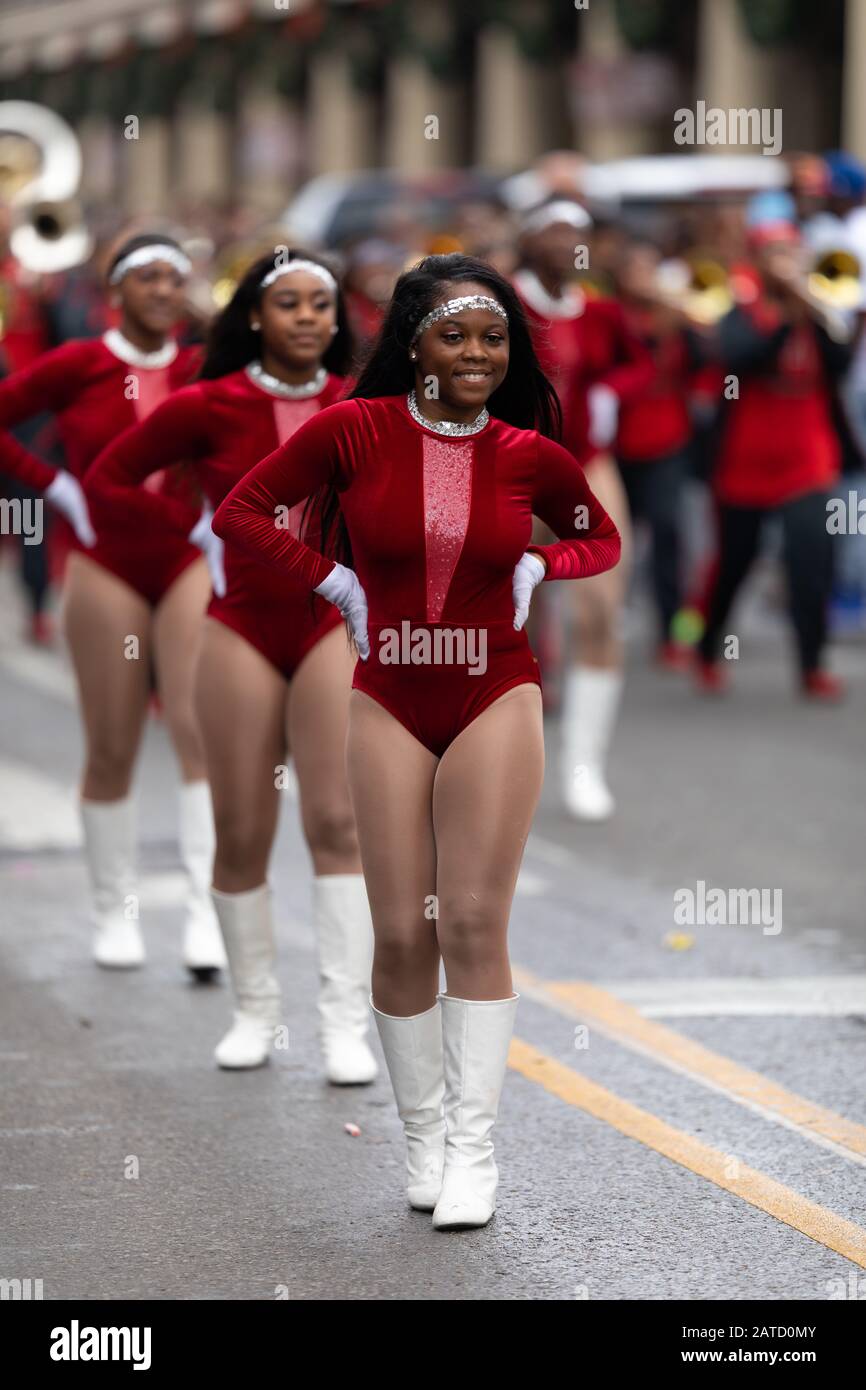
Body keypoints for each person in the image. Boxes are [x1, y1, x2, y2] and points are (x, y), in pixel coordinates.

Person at [213, 253, 620, 1230]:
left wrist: (539, 565)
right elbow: (242, 511)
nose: (477, 354)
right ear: (410, 344)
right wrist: (336, 584)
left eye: (494, 338)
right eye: (455, 335)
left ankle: (476, 1152)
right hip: (386, 693)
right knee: (402, 932)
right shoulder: (351, 431)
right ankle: (425, 1137)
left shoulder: (529, 452)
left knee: (473, 923)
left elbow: (597, 536)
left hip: (495, 688)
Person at [86, 249, 379, 1083]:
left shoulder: (359, 403)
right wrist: (185, 525)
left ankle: (341, 1027)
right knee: (243, 827)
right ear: (255, 314)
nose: (307, 318)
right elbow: (111, 475)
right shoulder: (208, 404)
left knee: (336, 821)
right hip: (240, 627)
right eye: (287, 303)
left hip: (328, 626)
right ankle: (255, 1012)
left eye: (321, 304)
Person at [0, 233, 226, 976]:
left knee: (199, 730)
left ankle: (204, 914)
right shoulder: (81, 363)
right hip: (104, 563)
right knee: (113, 743)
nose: (164, 289)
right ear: (116, 291)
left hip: (186, 559)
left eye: (175, 278)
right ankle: (114, 913)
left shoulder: (205, 366)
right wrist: (53, 483)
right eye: (148, 277)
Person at [514, 200, 650, 820]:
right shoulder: (503, 304)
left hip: (585, 465)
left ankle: (582, 764)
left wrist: (608, 393)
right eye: (556, 231)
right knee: (500, 615)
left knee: (600, 610)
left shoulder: (600, 312)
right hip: (510, 467)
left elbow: (641, 363)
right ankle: (500, 755)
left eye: (581, 233)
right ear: (530, 239)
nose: (571, 243)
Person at [697, 221, 852, 699]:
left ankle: (811, 664)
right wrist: (786, 316)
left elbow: (841, 363)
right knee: (736, 562)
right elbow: (742, 359)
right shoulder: (741, 310)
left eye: (791, 250)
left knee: (812, 559)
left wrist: (811, 310)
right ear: (758, 259)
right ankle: (708, 648)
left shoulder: (822, 307)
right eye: (775, 252)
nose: (785, 260)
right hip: (747, 456)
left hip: (809, 455)